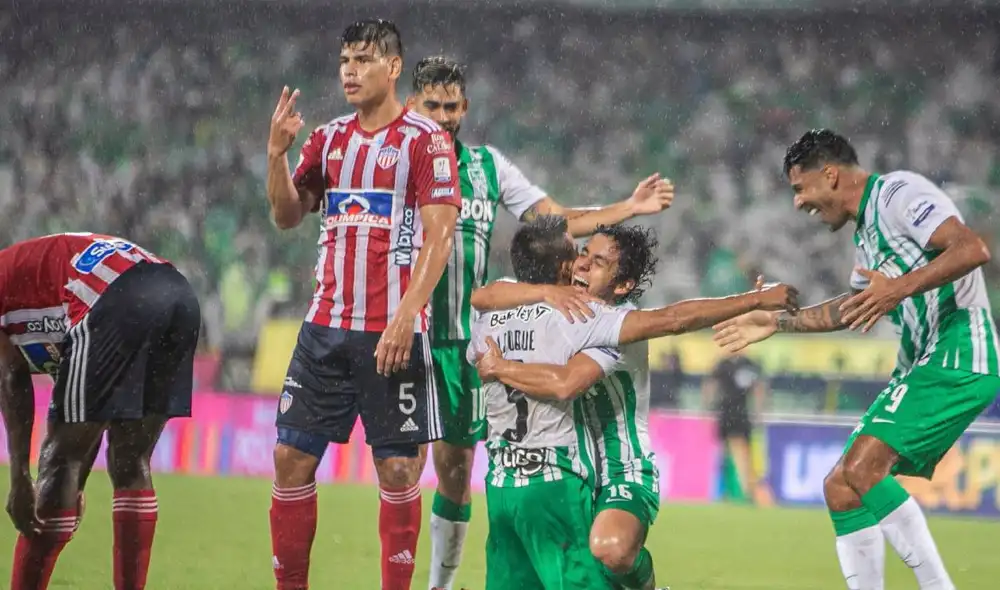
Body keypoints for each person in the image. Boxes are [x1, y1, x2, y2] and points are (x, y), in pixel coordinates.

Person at [405, 56, 675, 590]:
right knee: (403, 467)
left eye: (452, 106)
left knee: (456, 471)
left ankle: (439, 584)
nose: (443, 116)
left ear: (465, 107)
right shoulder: (396, 163)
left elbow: (554, 221)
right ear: (413, 106)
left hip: (466, 338)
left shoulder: (487, 168)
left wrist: (627, 207)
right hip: (409, 332)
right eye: (432, 105)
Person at [713, 129, 1000, 590]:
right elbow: (850, 310)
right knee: (841, 487)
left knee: (863, 469)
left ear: (830, 174)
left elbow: (972, 249)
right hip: (924, 362)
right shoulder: (866, 237)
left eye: (800, 188)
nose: (798, 202)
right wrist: (776, 323)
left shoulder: (899, 193)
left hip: (959, 352)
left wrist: (898, 289)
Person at [465, 216, 798, 589]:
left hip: (621, 466)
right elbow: (484, 295)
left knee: (611, 550)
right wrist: (544, 292)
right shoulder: (559, 307)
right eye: (583, 254)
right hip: (576, 466)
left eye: (598, 262)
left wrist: (754, 299)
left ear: (622, 285)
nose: (582, 265)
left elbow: (674, 319)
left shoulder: (615, 323)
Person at [265, 19, 460, 590]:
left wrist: (407, 315)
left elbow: (440, 236)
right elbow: (286, 215)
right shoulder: (328, 140)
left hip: (393, 333)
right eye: (345, 60)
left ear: (393, 67)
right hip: (324, 329)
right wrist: (276, 155)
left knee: (398, 468)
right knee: (289, 459)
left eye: (363, 60)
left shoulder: (425, 140)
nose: (350, 71)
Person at [0, 232, 201, 590]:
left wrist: (20, 477)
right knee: (130, 460)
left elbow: (11, 375)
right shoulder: (21, 279)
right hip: (176, 293)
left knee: (59, 462)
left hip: (113, 295)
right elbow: (89, 398)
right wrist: (74, 476)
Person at [701, 350, 770, 504]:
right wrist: (707, 406)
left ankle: (748, 490)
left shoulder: (749, 364)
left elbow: (759, 388)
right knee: (724, 454)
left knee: (745, 453)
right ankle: (725, 490)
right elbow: (710, 384)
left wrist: (758, 411)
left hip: (742, 413)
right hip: (725, 412)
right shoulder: (723, 364)